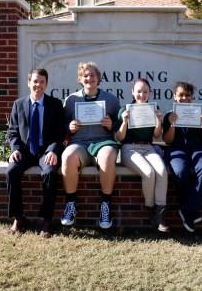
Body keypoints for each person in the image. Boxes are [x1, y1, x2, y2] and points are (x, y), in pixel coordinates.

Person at [6, 68, 66, 238]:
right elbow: (13, 131)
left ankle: (46, 220)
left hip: (45, 152)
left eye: (41, 82)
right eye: (35, 81)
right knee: (11, 171)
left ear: (46, 84)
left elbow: (60, 133)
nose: (38, 85)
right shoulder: (18, 104)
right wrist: (15, 149)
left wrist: (53, 150)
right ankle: (19, 218)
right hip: (24, 152)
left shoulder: (55, 104)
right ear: (29, 83)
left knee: (49, 172)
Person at [60, 62, 120, 229]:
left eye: (92, 75)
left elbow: (121, 126)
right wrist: (69, 127)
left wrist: (111, 125)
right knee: (67, 156)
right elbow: (62, 125)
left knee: (108, 156)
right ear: (80, 79)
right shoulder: (71, 100)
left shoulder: (111, 100)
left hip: (103, 142)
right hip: (80, 143)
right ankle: (71, 203)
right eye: (85, 75)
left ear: (98, 78)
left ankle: (105, 204)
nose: (89, 78)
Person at [114, 78, 169, 233]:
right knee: (149, 172)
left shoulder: (153, 108)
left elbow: (157, 136)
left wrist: (159, 121)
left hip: (148, 147)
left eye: (145, 91)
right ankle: (150, 209)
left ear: (149, 93)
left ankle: (160, 215)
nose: (142, 94)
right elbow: (119, 137)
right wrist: (124, 121)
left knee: (162, 172)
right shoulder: (125, 109)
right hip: (129, 149)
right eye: (139, 91)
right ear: (132, 92)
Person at [163, 82, 202, 233]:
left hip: (197, 148)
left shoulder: (200, 112)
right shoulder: (169, 115)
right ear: (174, 97)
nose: (184, 98)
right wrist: (172, 125)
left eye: (187, 95)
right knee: (179, 171)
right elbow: (167, 140)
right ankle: (191, 211)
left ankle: (186, 209)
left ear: (192, 97)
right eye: (181, 95)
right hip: (176, 149)